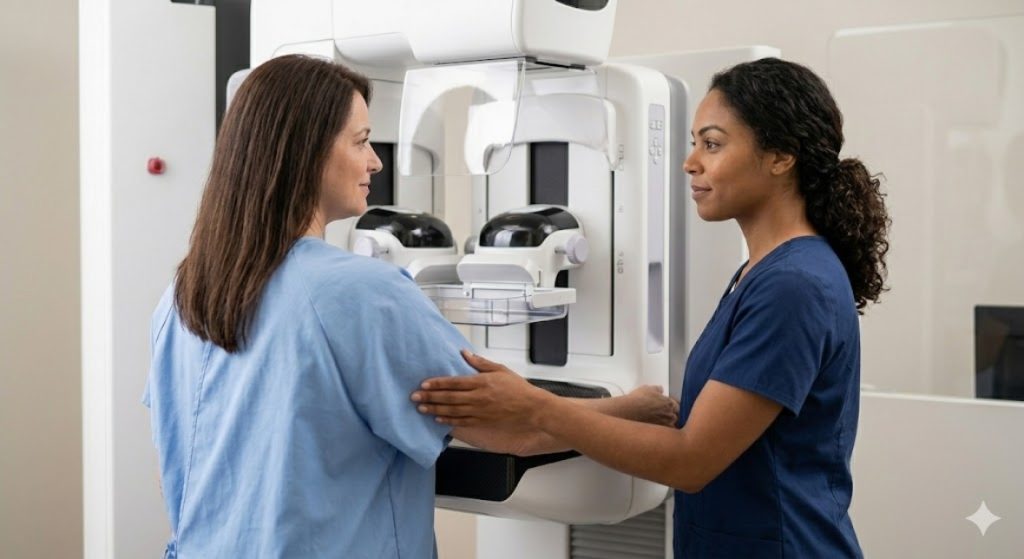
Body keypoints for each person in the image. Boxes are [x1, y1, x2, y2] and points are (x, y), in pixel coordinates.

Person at [143, 54, 677, 559]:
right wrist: (636, 409)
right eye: (362, 141)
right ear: (306, 153)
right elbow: (513, 431)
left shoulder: (183, 294)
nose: (374, 161)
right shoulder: (357, 292)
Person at [412, 57, 891, 558]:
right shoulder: (762, 273)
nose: (690, 162)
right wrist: (614, 410)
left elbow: (692, 460)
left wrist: (537, 407)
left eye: (712, 144)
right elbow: (721, 427)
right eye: (693, 143)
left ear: (780, 156)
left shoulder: (793, 285)